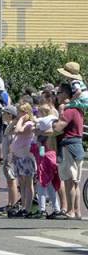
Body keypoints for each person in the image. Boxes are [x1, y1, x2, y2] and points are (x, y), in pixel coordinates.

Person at [50, 81, 85, 220]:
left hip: (69, 146)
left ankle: (70, 211)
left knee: (70, 181)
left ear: (65, 94)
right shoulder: (79, 109)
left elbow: (58, 128)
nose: (56, 96)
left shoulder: (69, 111)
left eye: (58, 93)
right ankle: (77, 211)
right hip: (78, 145)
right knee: (75, 182)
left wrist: (49, 125)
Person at [8, 103, 37, 218]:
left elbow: (18, 131)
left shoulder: (29, 124)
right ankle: (24, 206)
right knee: (22, 183)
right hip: (18, 156)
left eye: (21, 112)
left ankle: (28, 208)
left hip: (26, 157)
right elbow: (8, 131)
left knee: (28, 183)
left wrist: (21, 120)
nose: (18, 114)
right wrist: (14, 121)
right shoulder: (20, 123)